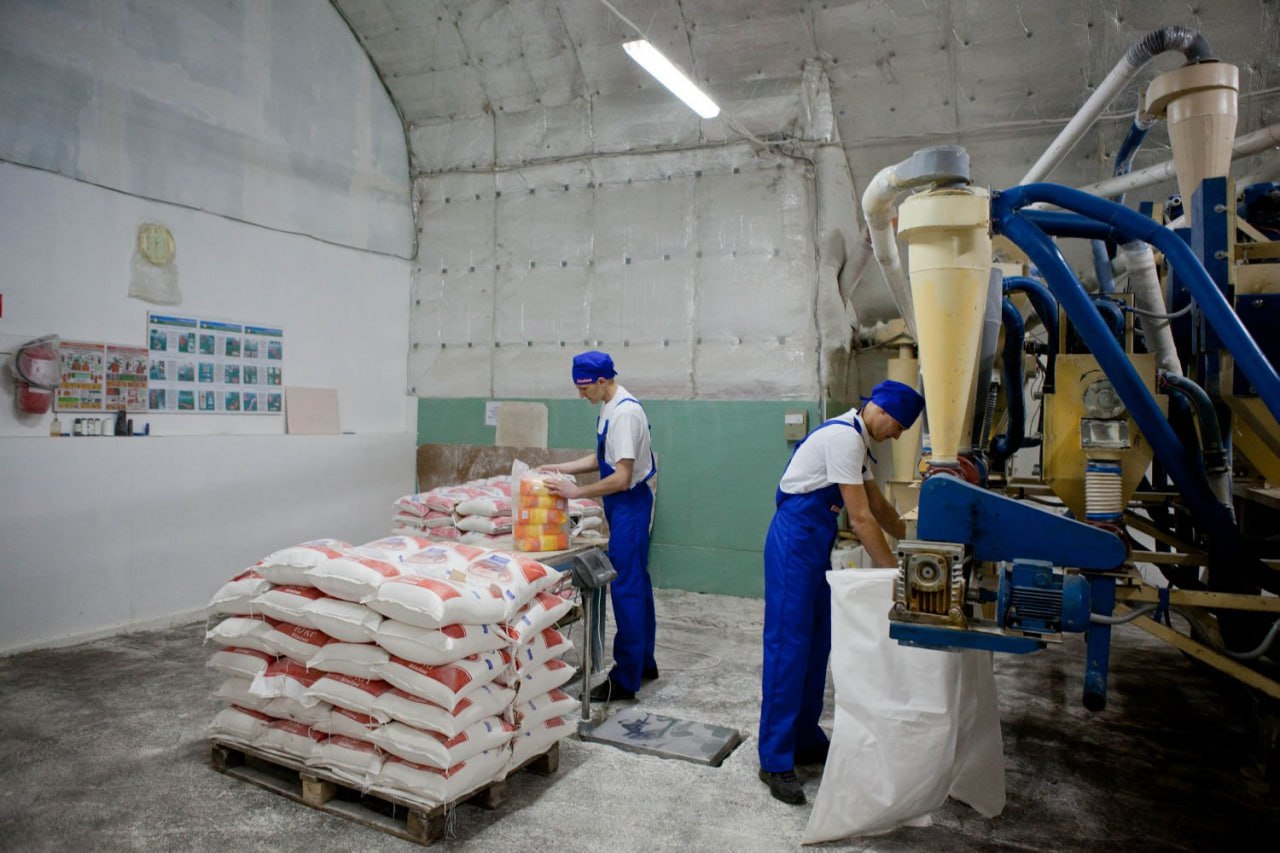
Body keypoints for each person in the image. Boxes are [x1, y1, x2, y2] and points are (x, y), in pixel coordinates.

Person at [757, 379, 925, 805]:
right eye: (899, 426)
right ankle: (774, 759)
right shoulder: (844, 438)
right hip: (795, 542)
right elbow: (862, 518)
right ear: (882, 411)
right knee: (788, 647)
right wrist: (896, 576)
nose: (897, 436)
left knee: (817, 643)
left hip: (814, 544)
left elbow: (881, 509)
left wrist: (919, 540)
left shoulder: (858, 442)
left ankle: (804, 737)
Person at [542, 350, 659, 702]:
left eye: (585, 388)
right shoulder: (610, 406)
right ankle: (644, 663)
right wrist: (559, 468)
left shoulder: (625, 413)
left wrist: (576, 492)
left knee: (626, 588)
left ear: (603, 380)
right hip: (623, 504)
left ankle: (625, 678)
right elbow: (603, 457)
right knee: (637, 584)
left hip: (629, 505)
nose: (582, 395)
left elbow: (621, 478)